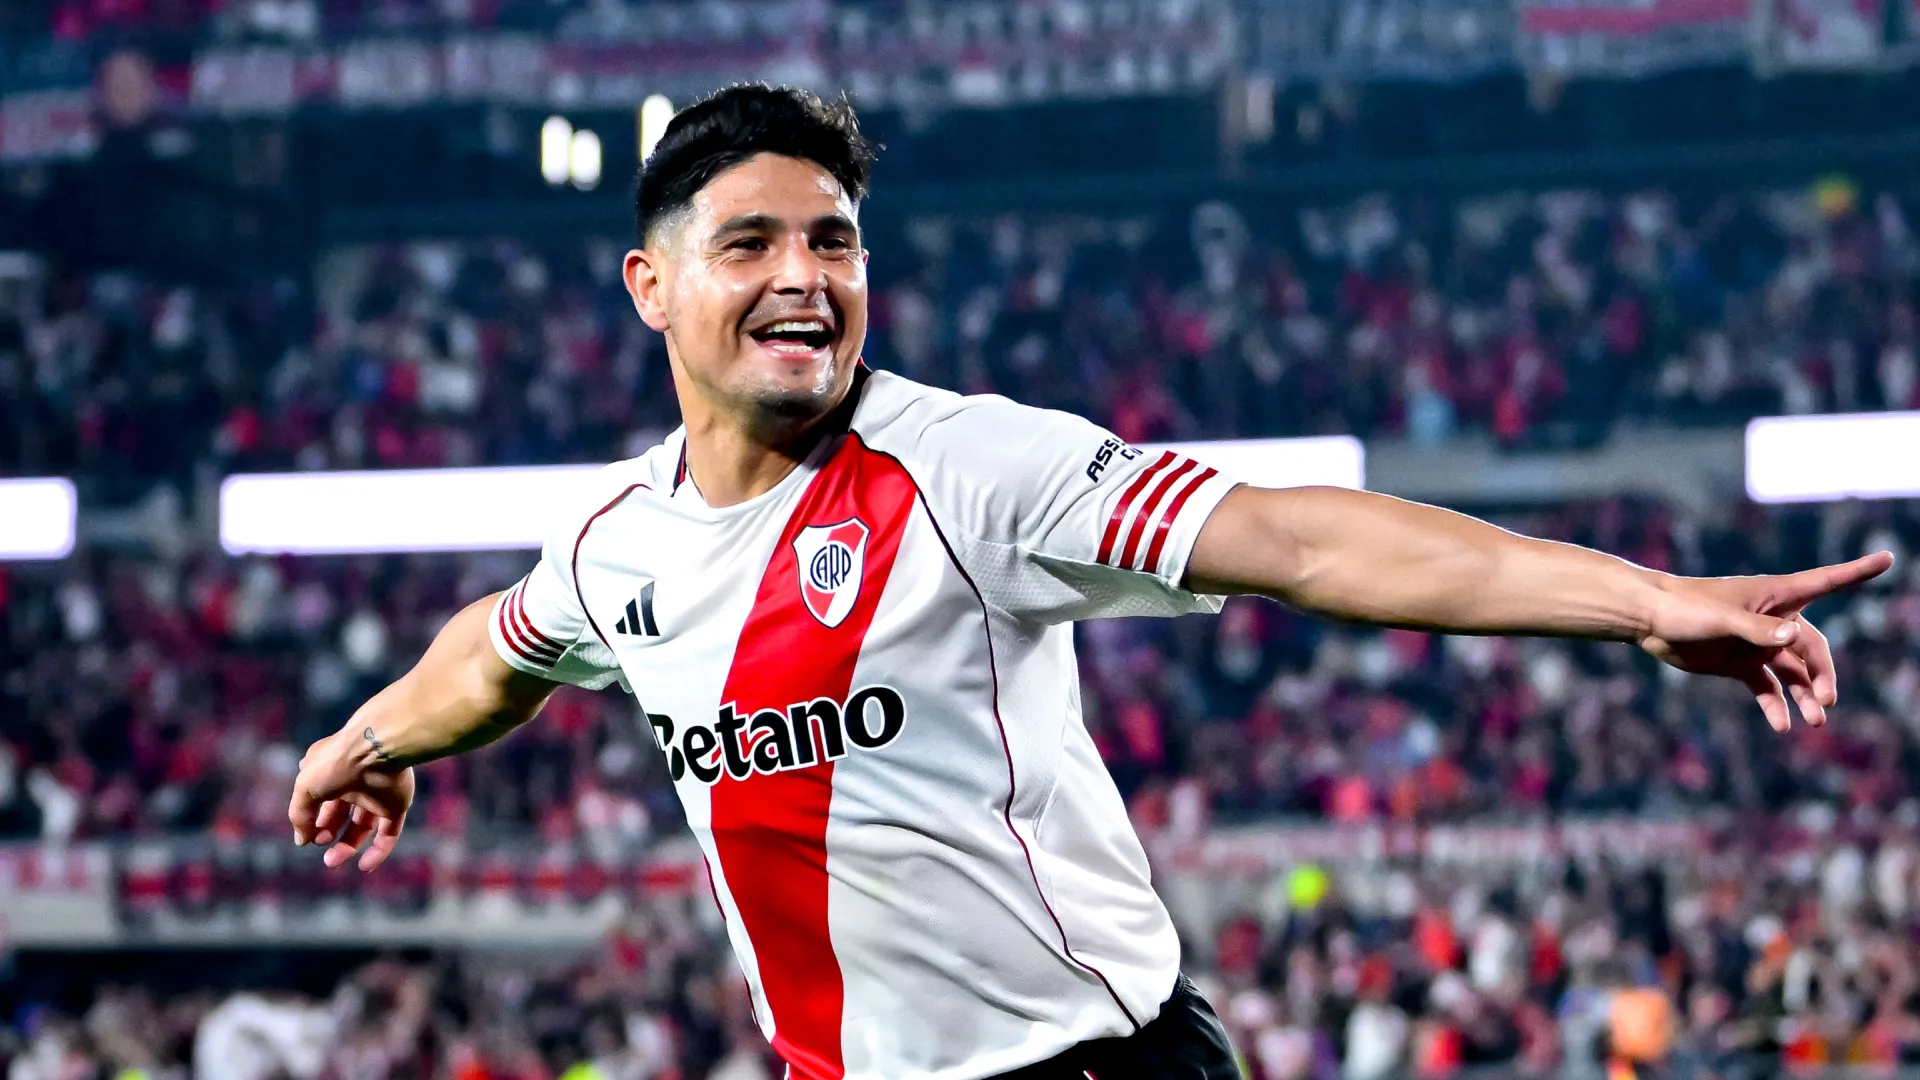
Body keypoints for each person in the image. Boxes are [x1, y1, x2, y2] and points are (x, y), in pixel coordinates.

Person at [287, 84, 1891, 1080]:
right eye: (754, 241)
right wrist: (371, 740)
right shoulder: (619, 543)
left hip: (1093, 1071)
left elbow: (1309, 539)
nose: (806, 277)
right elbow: (496, 654)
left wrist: (1646, 601)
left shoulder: (972, 468)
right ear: (652, 286)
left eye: (835, 241)